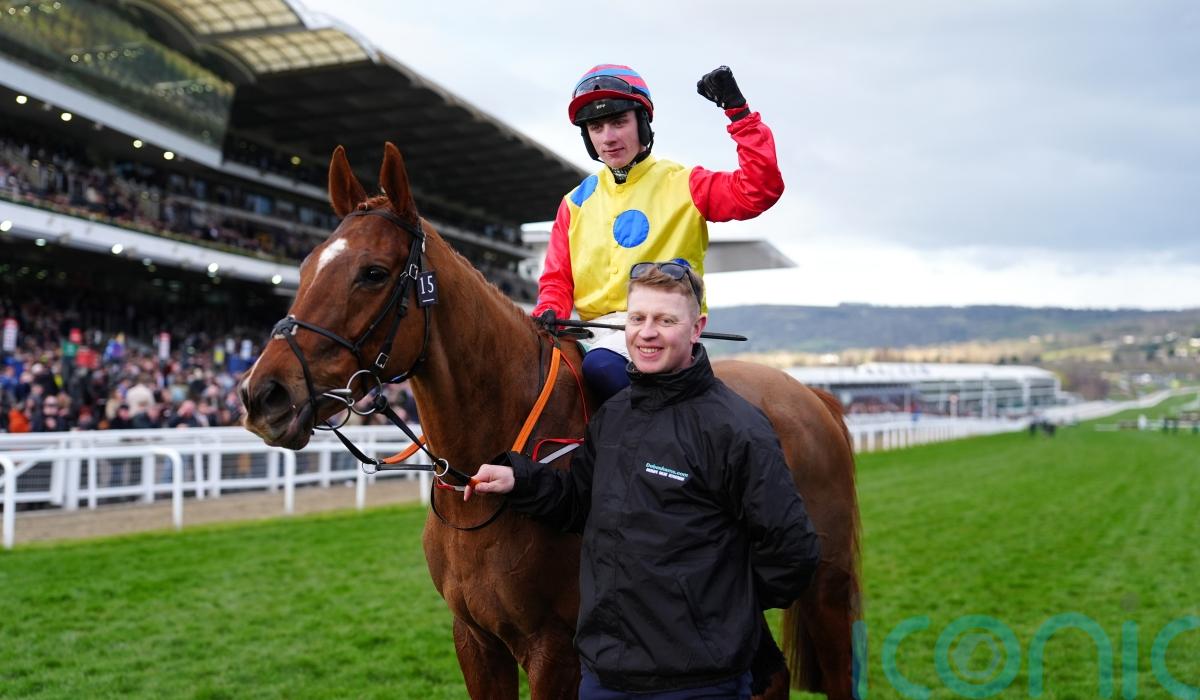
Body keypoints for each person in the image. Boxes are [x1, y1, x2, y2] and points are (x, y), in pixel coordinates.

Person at [471, 263, 819, 698]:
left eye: (665, 320)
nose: (647, 333)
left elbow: (794, 552)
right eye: (637, 318)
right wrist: (519, 479)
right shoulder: (614, 416)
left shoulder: (737, 428)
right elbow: (579, 502)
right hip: (604, 677)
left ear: (697, 329)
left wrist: (725, 610)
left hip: (698, 684)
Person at [533, 64, 785, 401]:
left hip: (661, 329)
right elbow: (557, 280)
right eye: (596, 127)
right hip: (592, 333)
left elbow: (759, 190)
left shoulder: (685, 184)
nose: (608, 137)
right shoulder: (574, 202)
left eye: (618, 122)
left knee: (602, 367)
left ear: (642, 122)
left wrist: (739, 114)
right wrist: (548, 310)